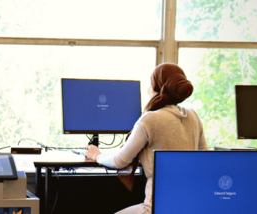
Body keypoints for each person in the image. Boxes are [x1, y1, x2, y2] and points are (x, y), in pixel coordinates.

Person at [85, 63, 208, 214]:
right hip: (188, 207)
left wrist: (96, 155)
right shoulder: (193, 115)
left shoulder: (150, 119)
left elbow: (120, 161)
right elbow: (204, 157)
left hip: (154, 208)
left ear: (156, 87)